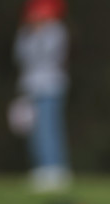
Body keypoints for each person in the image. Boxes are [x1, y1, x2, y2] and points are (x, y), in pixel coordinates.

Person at [12, 0, 71, 191]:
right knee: (35, 131)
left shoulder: (56, 30)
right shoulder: (25, 32)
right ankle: (42, 168)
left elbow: (48, 54)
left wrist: (39, 33)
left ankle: (54, 169)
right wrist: (31, 32)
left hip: (50, 86)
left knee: (49, 128)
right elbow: (20, 55)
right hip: (30, 88)